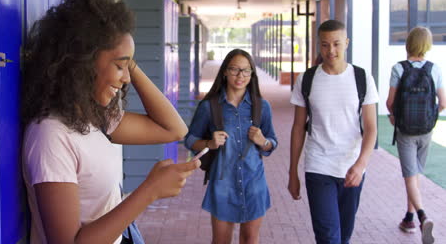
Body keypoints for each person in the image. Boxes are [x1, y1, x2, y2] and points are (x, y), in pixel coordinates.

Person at [21, 0, 200, 244]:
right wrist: (150, 191)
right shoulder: (51, 135)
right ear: (83, 62)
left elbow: (174, 129)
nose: (126, 79)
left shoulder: (94, 117)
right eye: (119, 66)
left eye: (128, 67)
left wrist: (126, 58)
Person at [288, 20, 378, 244]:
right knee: (329, 237)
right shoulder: (307, 79)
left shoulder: (362, 78)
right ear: (319, 45)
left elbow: (371, 127)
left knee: (344, 236)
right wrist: (292, 172)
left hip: (352, 168)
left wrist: (361, 164)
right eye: (325, 45)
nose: (331, 51)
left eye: (337, 44)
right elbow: (298, 127)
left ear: (346, 43)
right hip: (318, 166)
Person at [184, 49, 278, 244]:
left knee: (250, 239)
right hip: (222, 184)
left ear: (252, 74)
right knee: (221, 241)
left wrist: (263, 141)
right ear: (225, 71)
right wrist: (209, 143)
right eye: (234, 69)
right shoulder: (210, 107)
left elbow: (272, 143)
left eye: (245, 71)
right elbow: (190, 140)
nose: (240, 75)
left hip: (254, 183)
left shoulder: (262, 107)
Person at [386, 26, 445, 244]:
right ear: (427, 45)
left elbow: (390, 102)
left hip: (405, 131)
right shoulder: (434, 69)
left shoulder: (399, 69)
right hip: (426, 131)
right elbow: (444, 102)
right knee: (415, 174)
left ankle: (422, 216)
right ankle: (409, 217)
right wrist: (430, 117)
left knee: (410, 176)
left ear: (408, 43)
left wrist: (393, 116)